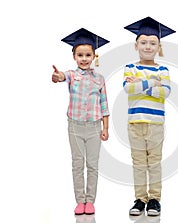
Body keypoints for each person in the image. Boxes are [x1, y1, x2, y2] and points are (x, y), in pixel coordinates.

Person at [51, 28, 110, 215]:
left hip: (94, 127)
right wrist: (57, 76)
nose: (84, 58)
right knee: (77, 163)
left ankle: (90, 201)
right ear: (74, 56)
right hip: (75, 127)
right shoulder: (71, 75)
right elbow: (60, 77)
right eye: (80, 55)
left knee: (92, 164)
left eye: (87, 55)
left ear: (94, 56)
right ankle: (80, 201)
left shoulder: (99, 79)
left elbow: (104, 105)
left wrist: (105, 128)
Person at [123, 17, 175, 216]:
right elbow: (129, 88)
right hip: (135, 123)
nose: (148, 46)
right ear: (136, 45)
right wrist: (153, 83)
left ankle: (154, 199)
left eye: (153, 43)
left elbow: (167, 92)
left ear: (159, 46)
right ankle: (139, 199)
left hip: (156, 124)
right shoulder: (130, 67)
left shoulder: (163, 69)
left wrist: (141, 84)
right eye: (143, 42)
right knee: (138, 163)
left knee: (154, 163)